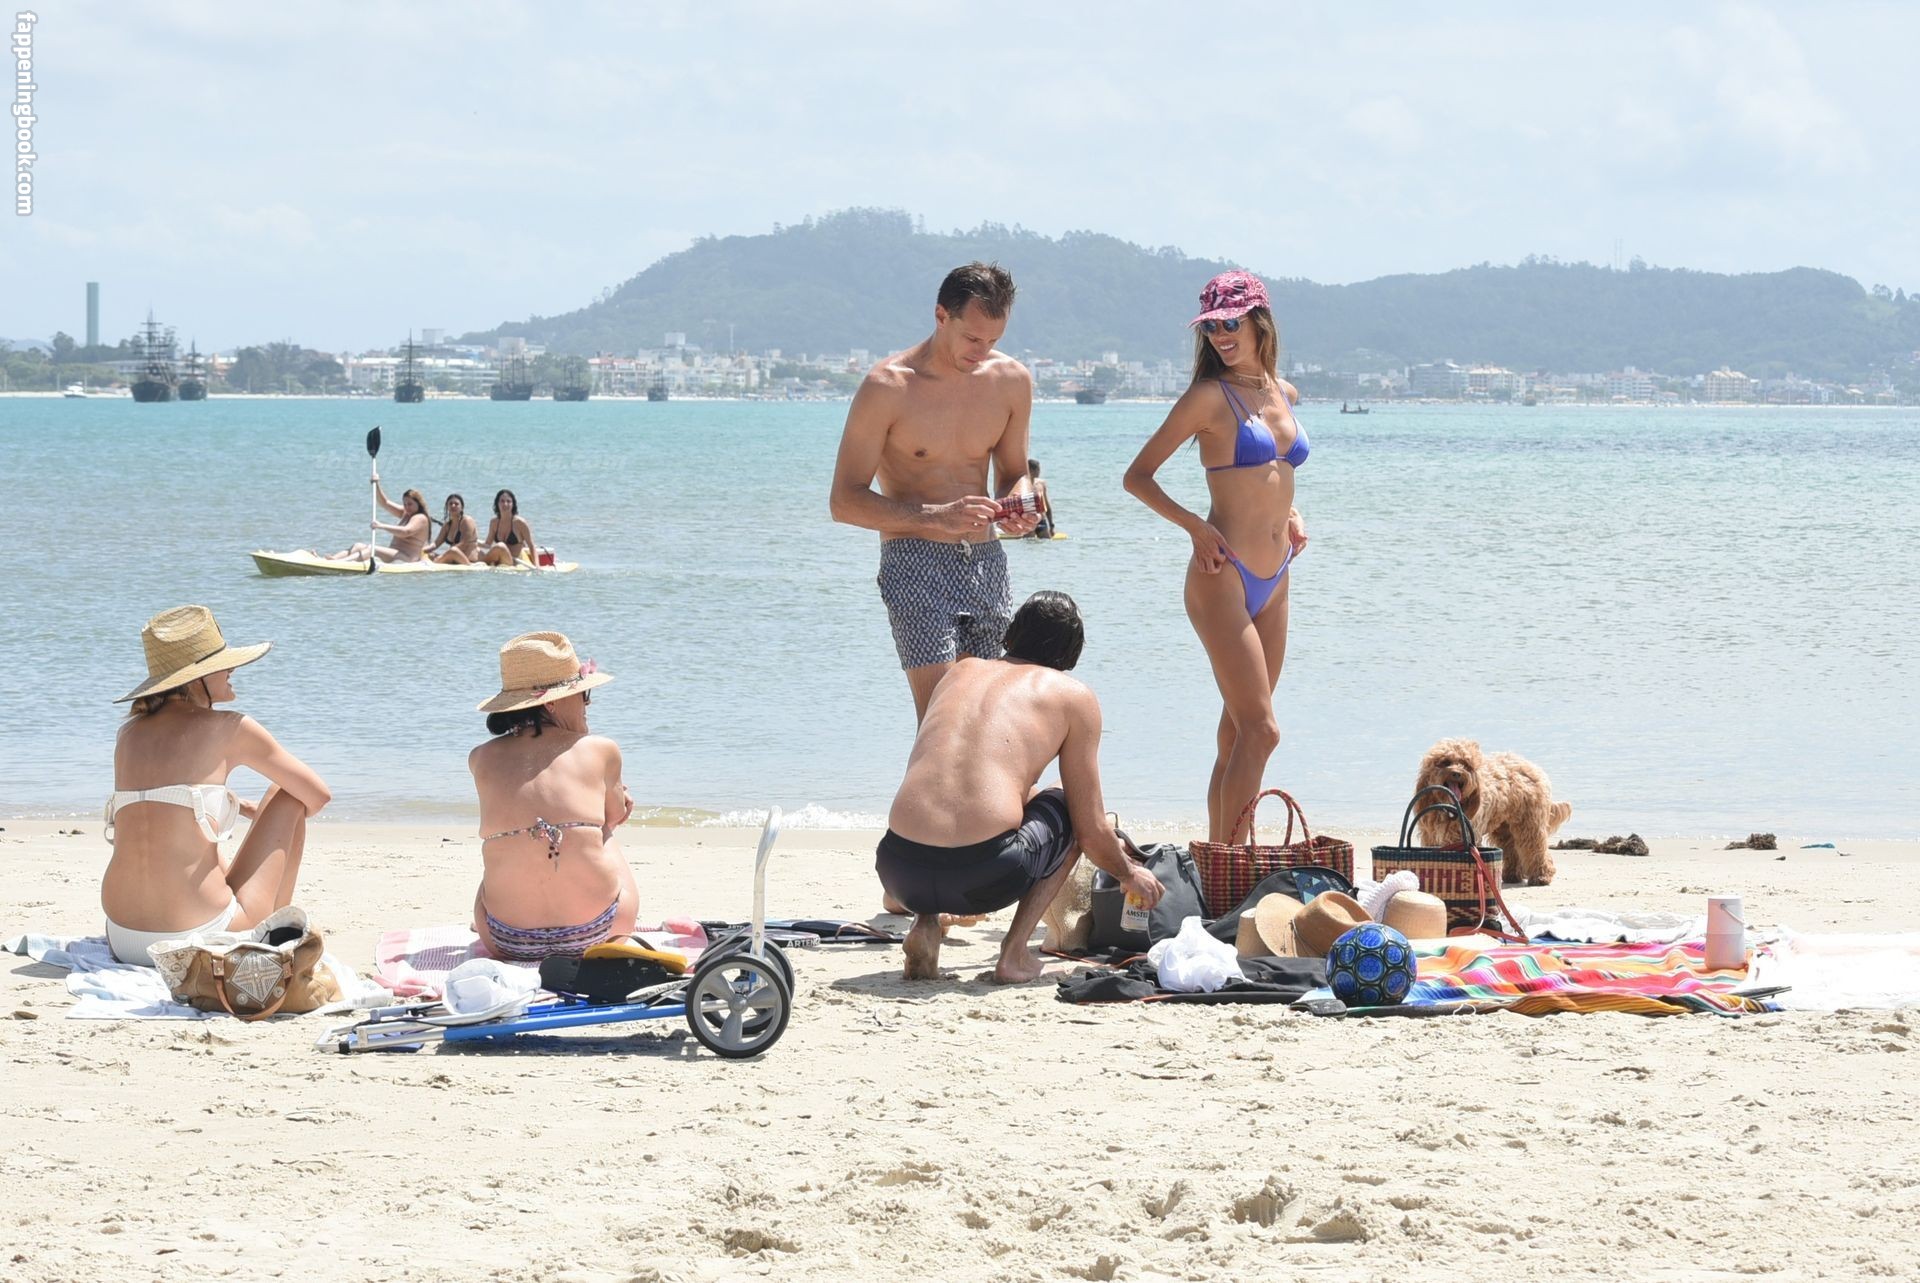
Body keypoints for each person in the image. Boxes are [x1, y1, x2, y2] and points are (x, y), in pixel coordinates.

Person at [877, 591, 1165, 983]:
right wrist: (1129, 873)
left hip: (899, 869)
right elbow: (1091, 831)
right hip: (981, 876)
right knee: (1068, 803)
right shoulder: (1073, 696)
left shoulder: (960, 671)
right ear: (1071, 654)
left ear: (1011, 634)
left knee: (951, 797)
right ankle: (1013, 955)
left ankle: (925, 924)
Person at [1122, 270, 1311, 844]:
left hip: (1276, 577)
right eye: (1211, 328)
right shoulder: (1208, 397)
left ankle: (1217, 861)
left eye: (1230, 323)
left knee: (1237, 738)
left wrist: (1292, 513)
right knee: (1262, 731)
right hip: (1222, 576)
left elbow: (1272, 475)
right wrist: (1196, 528)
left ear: (1259, 322)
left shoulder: (1283, 392)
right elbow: (1138, 476)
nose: (1221, 336)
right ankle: (1234, 864)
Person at [829, 261, 1041, 723]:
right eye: (972, 338)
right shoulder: (889, 386)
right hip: (914, 560)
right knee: (941, 719)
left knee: (986, 718)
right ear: (942, 315)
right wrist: (935, 517)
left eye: (994, 341)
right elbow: (844, 501)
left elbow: (1012, 472)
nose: (982, 352)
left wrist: (1019, 505)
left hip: (986, 561)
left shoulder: (1011, 381)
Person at [101, 605, 331, 966]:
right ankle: (273, 938)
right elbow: (317, 796)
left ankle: (266, 930)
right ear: (198, 677)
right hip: (195, 934)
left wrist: (242, 809)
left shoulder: (127, 734)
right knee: (286, 794)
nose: (232, 669)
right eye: (223, 663)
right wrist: (263, 814)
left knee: (200, 833)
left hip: (123, 936)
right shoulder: (232, 727)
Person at [469, 631, 638, 961]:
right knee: (603, 833)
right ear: (552, 702)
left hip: (504, 939)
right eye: (583, 695)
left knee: (505, 843)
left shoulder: (480, 758)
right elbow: (614, 817)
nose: (588, 704)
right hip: (602, 933)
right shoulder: (601, 749)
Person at [327, 476, 431, 563]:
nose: (407, 507)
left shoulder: (420, 518)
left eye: (410, 504)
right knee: (358, 546)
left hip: (407, 558)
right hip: (394, 553)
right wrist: (376, 484)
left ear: (418, 503)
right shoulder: (405, 513)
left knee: (372, 549)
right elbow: (385, 503)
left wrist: (381, 526)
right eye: (405, 504)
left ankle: (340, 563)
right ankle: (332, 559)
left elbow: (406, 532)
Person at [480, 489, 534, 567]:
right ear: (497, 503)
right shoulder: (494, 522)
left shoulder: (520, 523)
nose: (505, 504)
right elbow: (488, 544)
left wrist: (537, 566)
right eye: (502, 501)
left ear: (513, 504)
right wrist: (473, 542)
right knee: (478, 550)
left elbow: (531, 545)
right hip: (500, 560)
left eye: (508, 501)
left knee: (500, 546)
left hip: (514, 562)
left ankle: (481, 563)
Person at [427, 493, 479, 564]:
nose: (453, 506)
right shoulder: (447, 525)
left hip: (468, 561)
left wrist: (443, 555)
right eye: (450, 504)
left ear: (462, 507)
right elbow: (436, 544)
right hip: (453, 559)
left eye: (456, 504)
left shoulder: (467, 521)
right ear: (447, 507)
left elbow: (464, 543)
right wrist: (424, 550)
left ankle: (436, 562)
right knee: (429, 554)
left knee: (453, 550)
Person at [1026, 458, 1056, 539]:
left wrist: (1051, 525)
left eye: (1039, 469)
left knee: (1046, 543)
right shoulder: (1023, 485)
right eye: (1037, 469)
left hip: (1041, 520)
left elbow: (1046, 505)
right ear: (1030, 470)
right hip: (1028, 521)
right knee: (1029, 542)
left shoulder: (1041, 484)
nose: (1039, 471)